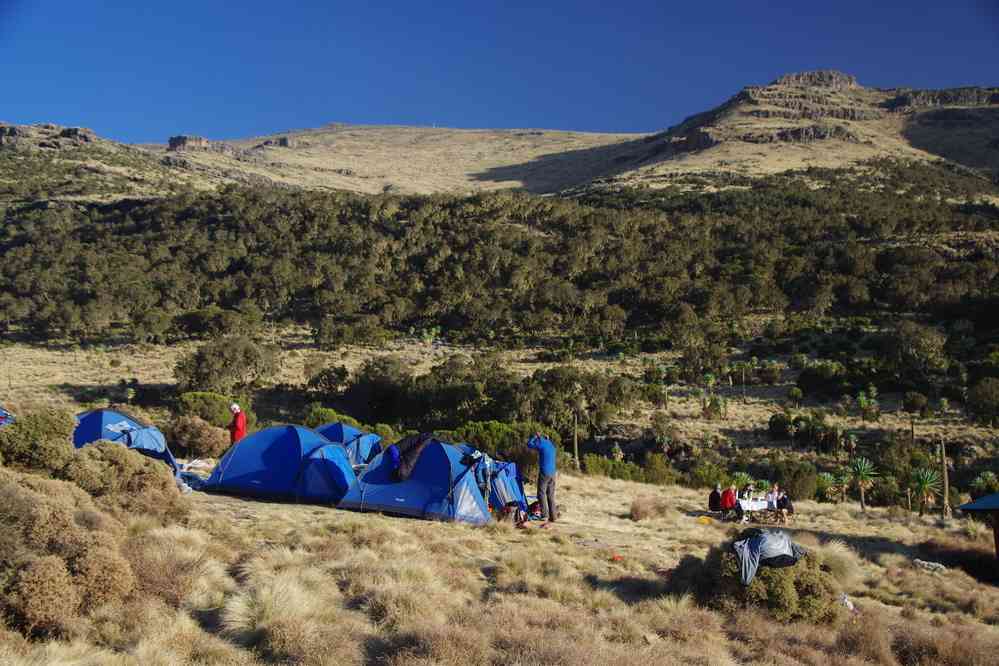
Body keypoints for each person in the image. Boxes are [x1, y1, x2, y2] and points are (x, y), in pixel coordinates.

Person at [527, 433, 557, 524]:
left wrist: (535, 436)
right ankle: (553, 516)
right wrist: (542, 438)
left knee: (541, 493)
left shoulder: (542, 443)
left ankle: (544, 515)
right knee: (550, 495)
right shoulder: (551, 445)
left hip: (545, 472)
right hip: (553, 473)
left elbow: (529, 444)